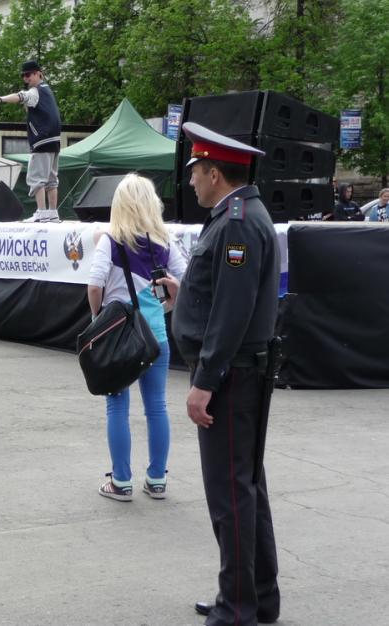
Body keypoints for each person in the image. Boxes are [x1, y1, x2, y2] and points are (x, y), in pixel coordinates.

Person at [160, 123, 281, 626]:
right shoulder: (242, 215)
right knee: (246, 488)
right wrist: (183, 293)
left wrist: (204, 381)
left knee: (230, 495)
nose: (191, 182)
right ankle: (256, 597)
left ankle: (237, 609)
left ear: (213, 172)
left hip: (231, 379)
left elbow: (233, 312)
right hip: (240, 373)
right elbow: (225, 296)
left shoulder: (235, 222)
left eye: (195, 173)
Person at [87, 173, 187, 501]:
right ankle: (157, 479)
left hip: (119, 336)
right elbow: (185, 281)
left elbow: (94, 283)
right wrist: (167, 305)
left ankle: (121, 480)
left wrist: (97, 317)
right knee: (156, 406)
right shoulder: (164, 241)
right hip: (155, 334)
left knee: (117, 405)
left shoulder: (111, 241)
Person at [0, 59, 61, 222]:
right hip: (54, 141)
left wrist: (0, 99)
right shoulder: (48, 90)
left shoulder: (36, 91)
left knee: (36, 178)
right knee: (51, 179)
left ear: (37, 73)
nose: (25, 79)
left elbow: (20, 96)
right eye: (23, 76)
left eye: (28, 75)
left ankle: (41, 213)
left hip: (41, 140)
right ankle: (53, 213)